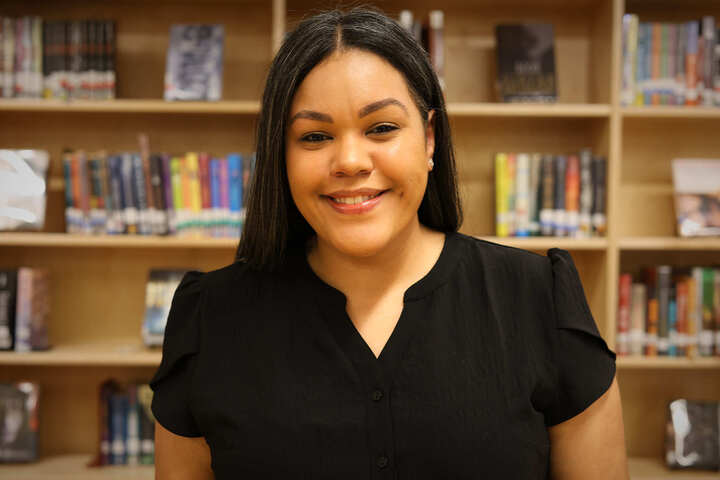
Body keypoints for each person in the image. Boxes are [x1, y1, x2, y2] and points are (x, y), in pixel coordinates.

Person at [150, 7, 629, 479]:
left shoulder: (537, 298)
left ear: (429, 139)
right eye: (314, 136)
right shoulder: (210, 318)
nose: (350, 161)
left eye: (381, 128)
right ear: (280, 154)